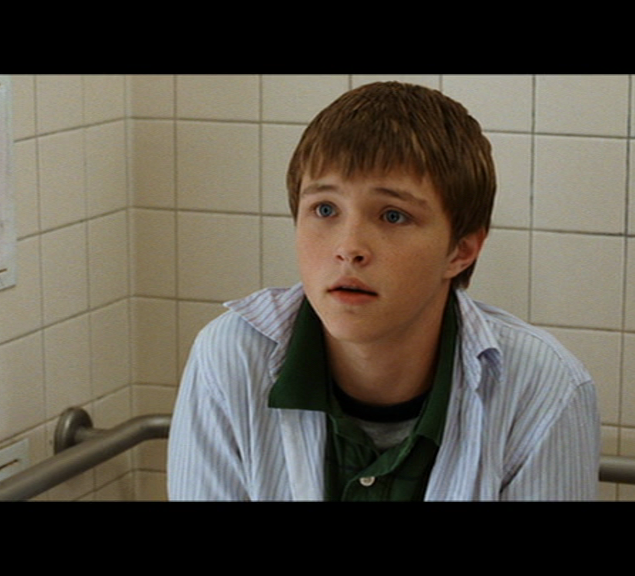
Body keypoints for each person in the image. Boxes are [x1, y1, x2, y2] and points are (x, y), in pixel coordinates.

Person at [167, 82, 600, 500]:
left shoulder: (545, 389)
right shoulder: (230, 358)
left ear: (461, 251)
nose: (349, 248)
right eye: (324, 209)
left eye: (393, 216)